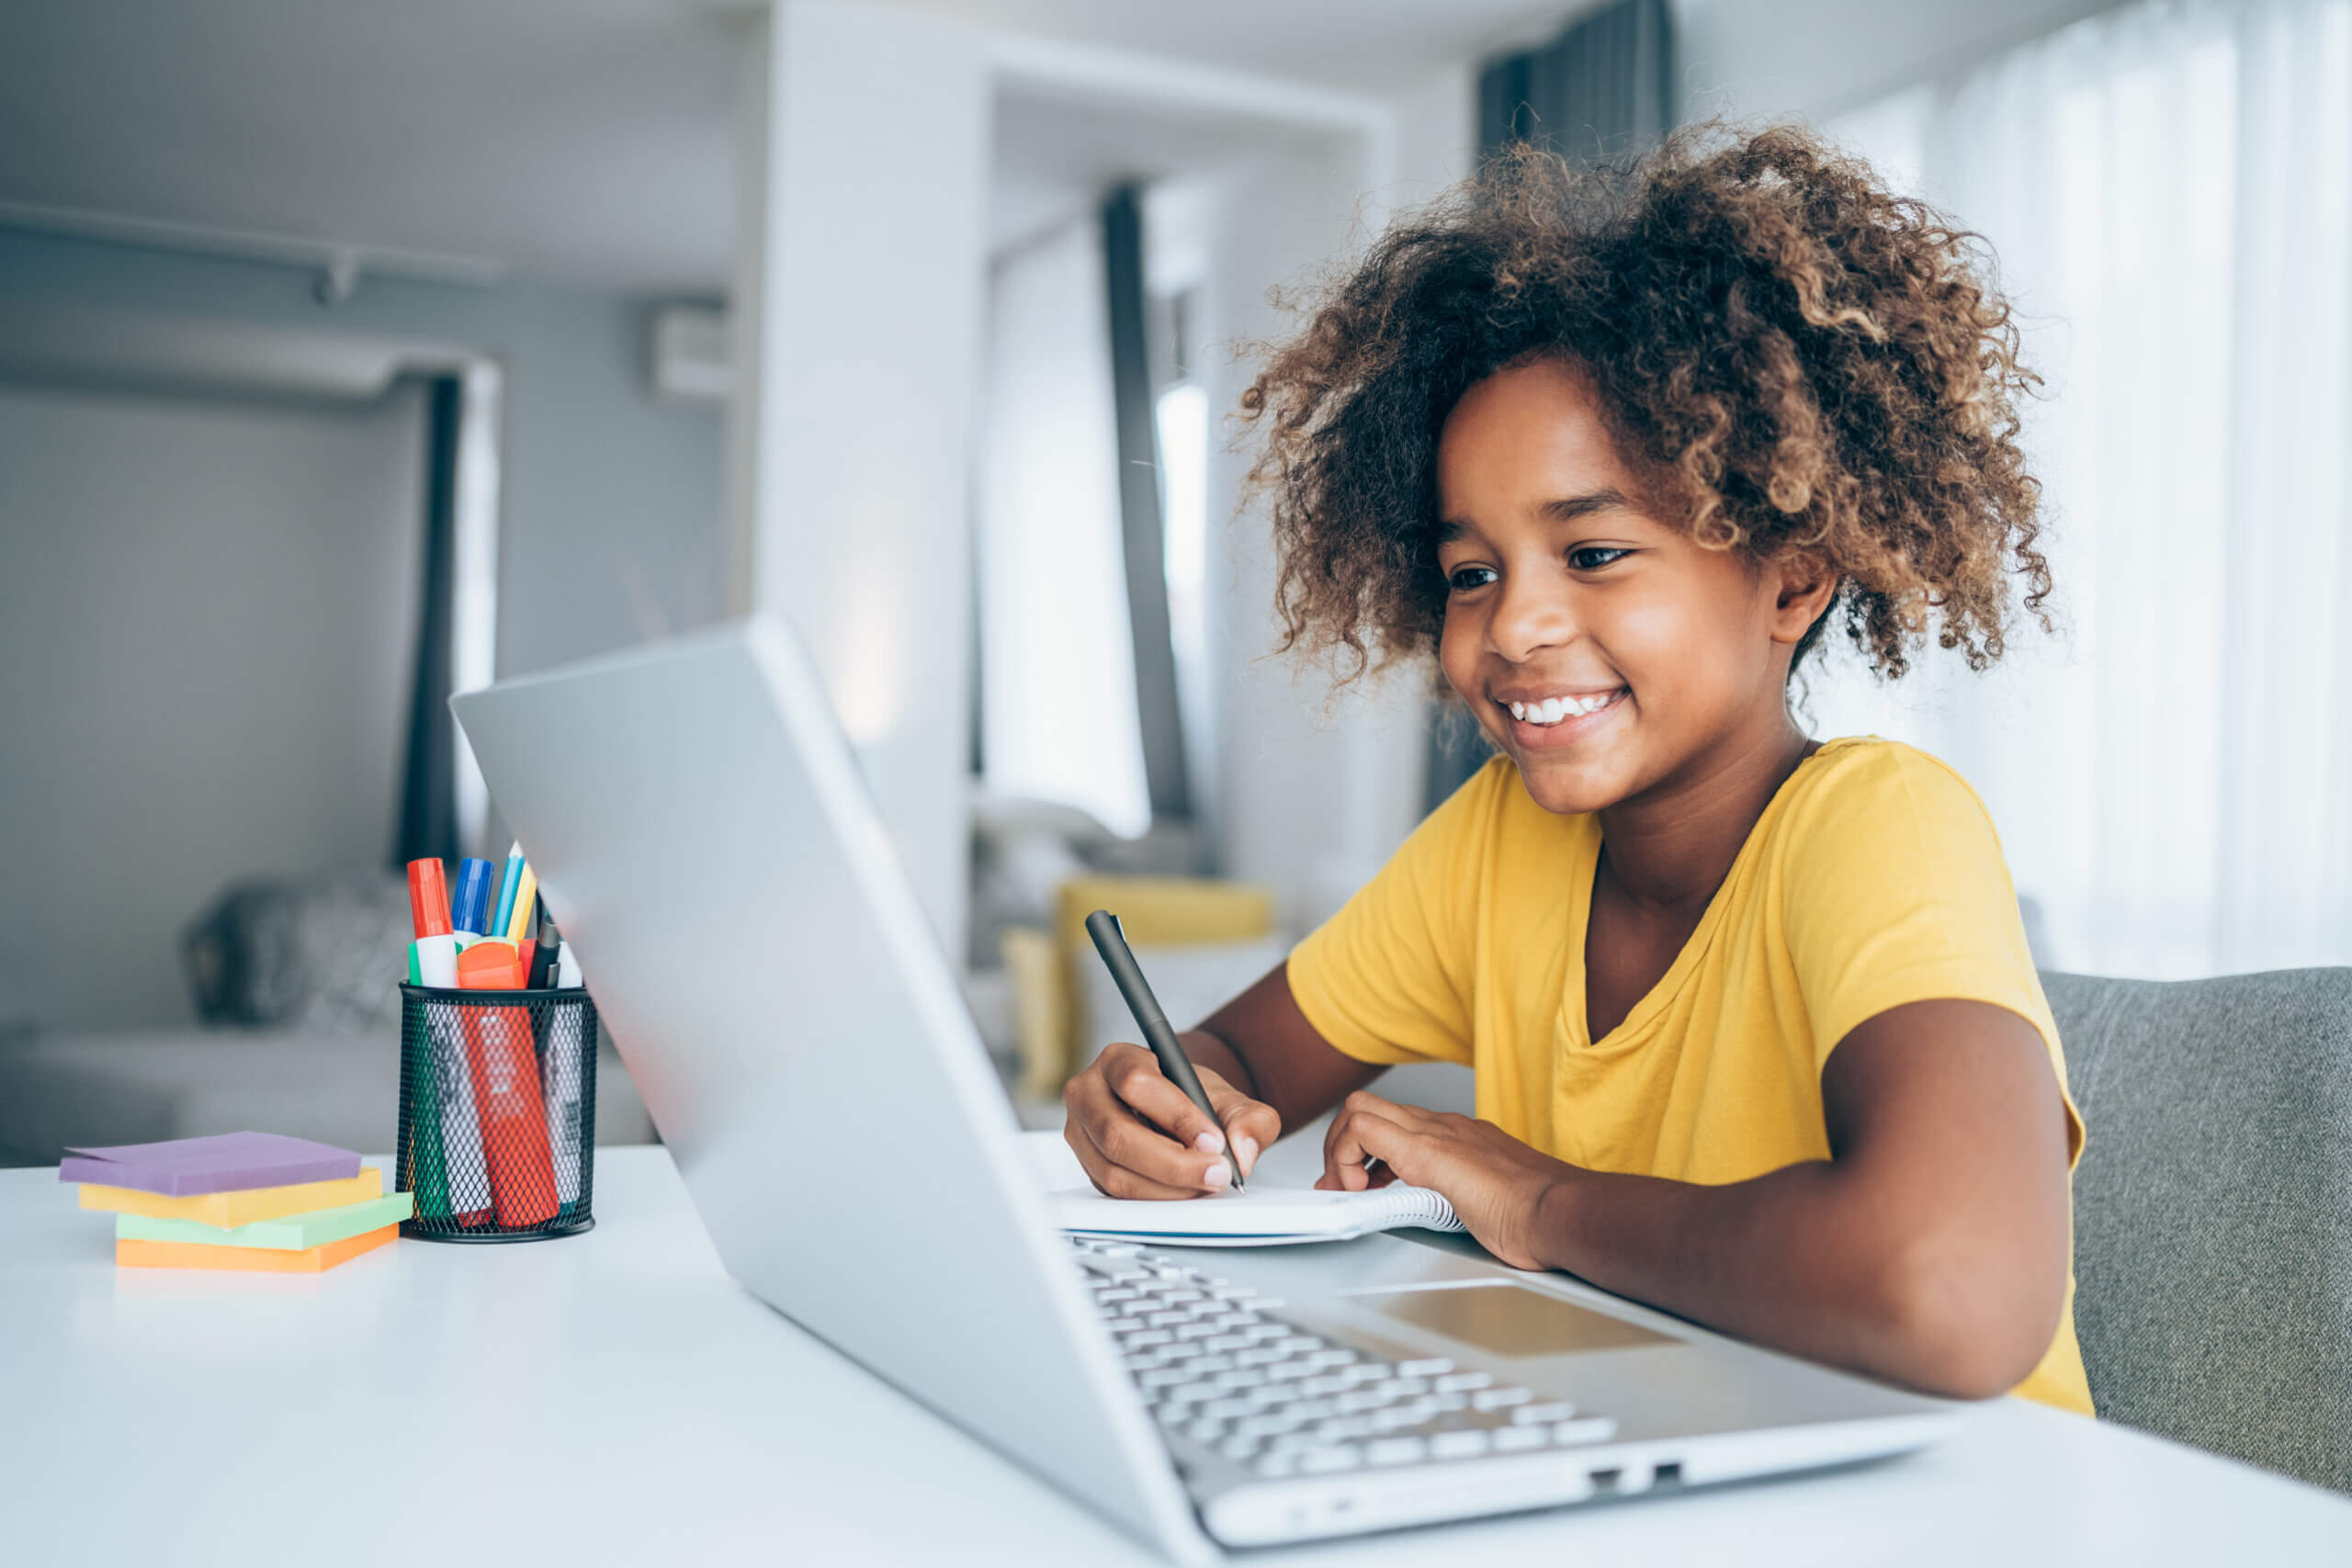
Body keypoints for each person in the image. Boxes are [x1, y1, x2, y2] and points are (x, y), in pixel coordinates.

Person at [1061, 124, 2092, 1414]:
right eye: (1470, 573)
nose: (1514, 626)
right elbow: (1239, 1063)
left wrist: (1532, 1197)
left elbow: (1952, 1291)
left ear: (1792, 576)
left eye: (1594, 554)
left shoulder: (1882, 828)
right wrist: (1158, 1101)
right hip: (1665, 1455)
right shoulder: (1500, 842)